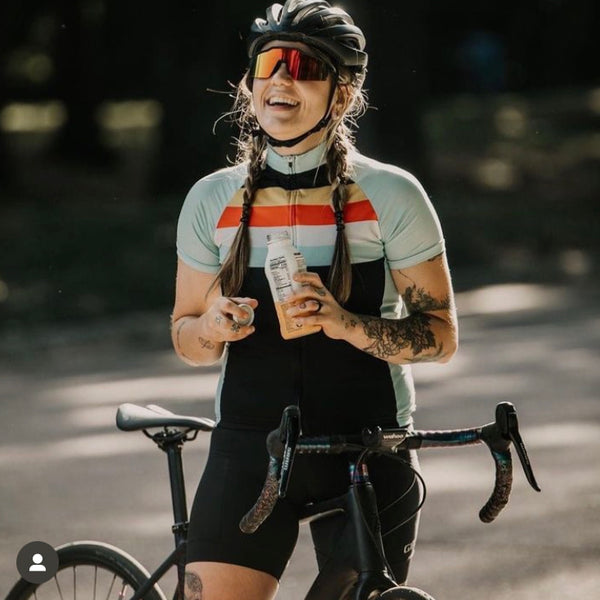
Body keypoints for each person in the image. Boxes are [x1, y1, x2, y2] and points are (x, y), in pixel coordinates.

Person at [171, 1, 458, 598]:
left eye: (303, 67)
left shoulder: (390, 194)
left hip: (369, 444)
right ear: (249, 84)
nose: (280, 79)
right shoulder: (211, 199)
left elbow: (440, 336)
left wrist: (344, 322)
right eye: (268, 64)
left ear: (344, 93)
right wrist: (211, 329)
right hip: (252, 446)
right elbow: (185, 338)